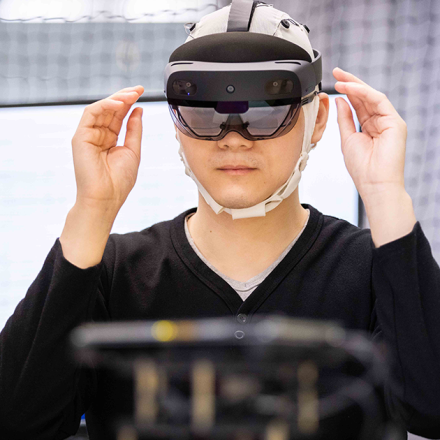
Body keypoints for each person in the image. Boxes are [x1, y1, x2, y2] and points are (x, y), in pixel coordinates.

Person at [1, 2, 439, 439]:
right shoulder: (116, 272)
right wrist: (91, 211)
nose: (233, 137)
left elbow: (431, 409)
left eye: (267, 108)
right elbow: (19, 420)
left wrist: (385, 197)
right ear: (175, 122)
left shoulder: (369, 266)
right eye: (204, 110)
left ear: (318, 118)